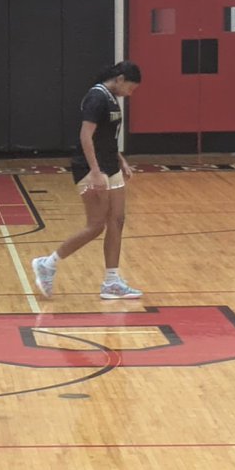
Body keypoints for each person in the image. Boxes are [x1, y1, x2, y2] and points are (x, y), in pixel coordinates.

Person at [31, 61, 143, 300]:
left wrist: (120, 160)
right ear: (120, 79)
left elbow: (107, 137)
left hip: (110, 166)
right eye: (131, 88)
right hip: (91, 167)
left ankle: (112, 281)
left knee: (118, 219)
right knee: (96, 225)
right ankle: (47, 263)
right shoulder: (97, 97)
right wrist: (94, 171)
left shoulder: (112, 99)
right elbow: (86, 136)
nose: (130, 94)